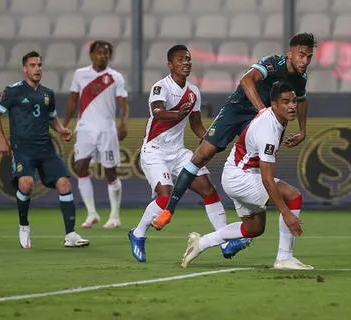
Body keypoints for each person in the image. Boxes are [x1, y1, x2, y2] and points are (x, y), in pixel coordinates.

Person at [154, 32, 318, 229]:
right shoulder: (273, 63)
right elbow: (246, 81)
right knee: (201, 156)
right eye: (301, 55)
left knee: (256, 163)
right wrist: (262, 111)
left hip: (258, 120)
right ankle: (169, 209)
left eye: (309, 56)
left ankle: (245, 226)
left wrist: (302, 131)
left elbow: (301, 100)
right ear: (290, 54)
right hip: (237, 110)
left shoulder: (301, 78)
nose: (305, 61)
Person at [127, 45, 251, 263]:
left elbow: (196, 125)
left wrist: (211, 141)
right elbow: (157, 112)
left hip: (178, 152)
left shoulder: (194, 92)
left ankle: (225, 242)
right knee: (165, 197)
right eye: (180, 60)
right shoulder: (161, 87)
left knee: (208, 189)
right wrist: (176, 113)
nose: (186, 63)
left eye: (188, 59)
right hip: (155, 151)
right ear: (170, 65)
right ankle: (137, 234)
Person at [180, 82, 312, 270]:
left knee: (254, 229)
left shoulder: (273, 118)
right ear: (274, 104)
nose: (292, 106)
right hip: (241, 178)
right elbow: (267, 179)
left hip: (236, 173)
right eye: (285, 102)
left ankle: (201, 243)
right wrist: (286, 213)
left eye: (293, 101)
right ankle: (284, 257)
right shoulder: (268, 131)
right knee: (293, 196)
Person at [0, 51, 90, 249]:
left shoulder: (47, 93)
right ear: (24, 69)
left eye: (39, 65)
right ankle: (24, 225)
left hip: (46, 147)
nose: (37, 69)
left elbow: (51, 116)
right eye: (33, 65)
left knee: (64, 184)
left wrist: (61, 130)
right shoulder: (13, 91)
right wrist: (2, 140)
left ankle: (70, 234)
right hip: (22, 148)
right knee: (26, 184)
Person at [62, 40, 128, 229]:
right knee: (80, 167)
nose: (103, 56)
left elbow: (123, 102)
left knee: (110, 172)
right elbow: (72, 101)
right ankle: (92, 213)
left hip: (107, 130)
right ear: (91, 55)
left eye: (106, 53)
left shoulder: (116, 77)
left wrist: (123, 123)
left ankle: (114, 216)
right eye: (99, 53)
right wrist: (64, 125)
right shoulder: (80, 75)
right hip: (85, 129)